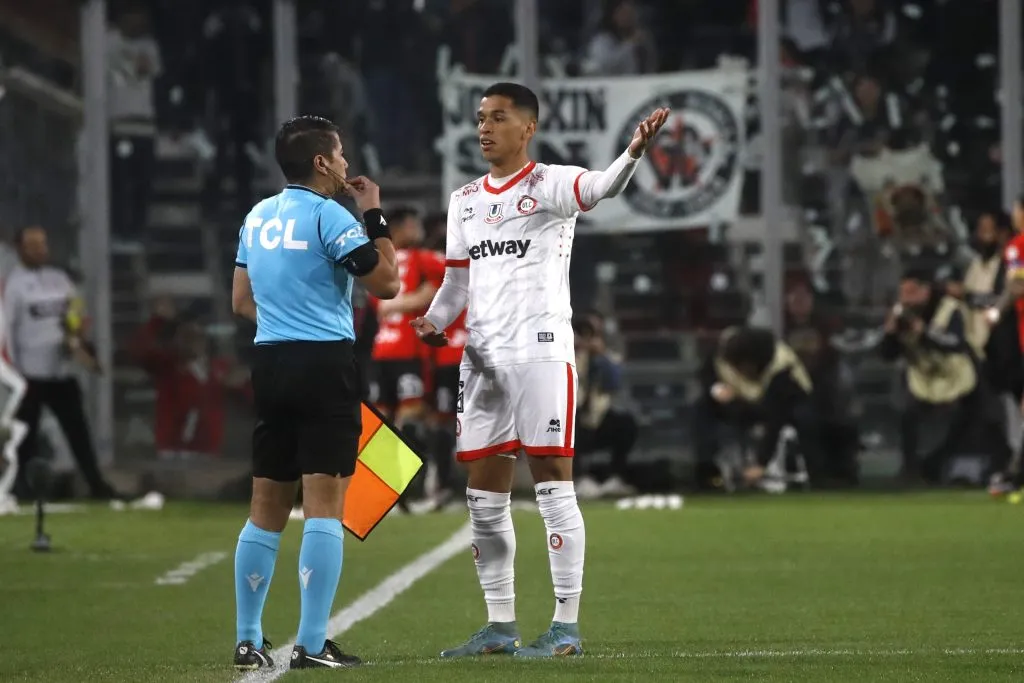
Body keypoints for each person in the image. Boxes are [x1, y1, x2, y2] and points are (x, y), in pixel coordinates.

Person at [411, 81, 669, 658]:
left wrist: (632, 154)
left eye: (498, 117)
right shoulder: (465, 200)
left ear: (527, 127)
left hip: (540, 351)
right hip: (480, 360)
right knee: (482, 498)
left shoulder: (550, 183)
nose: (484, 128)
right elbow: (457, 281)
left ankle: (566, 626)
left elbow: (600, 189)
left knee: (553, 486)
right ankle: (500, 625)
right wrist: (434, 319)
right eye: (480, 118)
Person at [229, 115, 400, 671]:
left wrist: (282, 319)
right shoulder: (331, 216)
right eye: (341, 155)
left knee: (265, 506)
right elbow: (388, 282)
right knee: (325, 505)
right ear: (322, 162)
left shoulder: (256, 216)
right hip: (323, 362)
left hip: (270, 360)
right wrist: (374, 212)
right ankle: (311, 641)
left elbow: (239, 301)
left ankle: (248, 638)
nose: (347, 164)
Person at [4, 226, 119, 502]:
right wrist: (13, 372)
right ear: (20, 248)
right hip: (30, 374)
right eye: (33, 245)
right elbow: (7, 330)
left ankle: (96, 484)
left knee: (78, 430)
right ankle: (17, 488)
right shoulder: (13, 285)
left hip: (61, 371)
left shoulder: (59, 279)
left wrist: (76, 337)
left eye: (43, 244)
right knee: (24, 438)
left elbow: (75, 312)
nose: (40, 250)